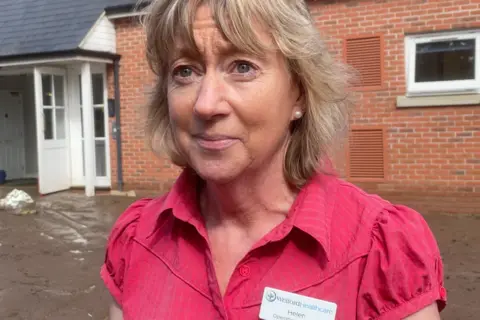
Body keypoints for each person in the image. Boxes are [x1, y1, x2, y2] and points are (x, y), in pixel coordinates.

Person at [101, 0, 447, 319]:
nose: (206, 104)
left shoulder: (380, 249)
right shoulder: (135, 239)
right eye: (185, 71)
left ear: (299, 92)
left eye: (242, 67)